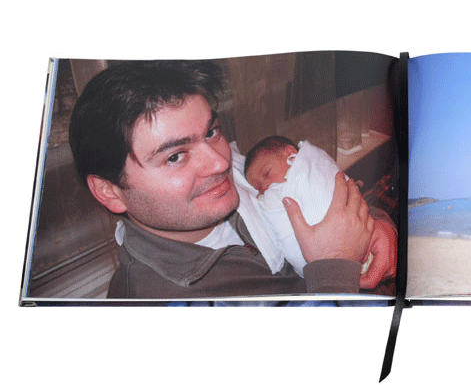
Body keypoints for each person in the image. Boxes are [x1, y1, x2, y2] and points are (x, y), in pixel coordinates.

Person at [68, 60, 396, 299]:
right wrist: (335, 269)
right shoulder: (151, 303)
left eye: (211, 132)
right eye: (174, 156)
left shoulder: (241, 167)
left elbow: (319, 191)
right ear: (110, 192)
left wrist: (377, 226)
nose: (220, 160)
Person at [241, 135, 380, 277]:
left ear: (291, 154)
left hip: (365, 233)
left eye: (267, 173)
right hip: (333, 267)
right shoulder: (277, 192)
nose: (266, 187)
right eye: (259, 189)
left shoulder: (311, 162)